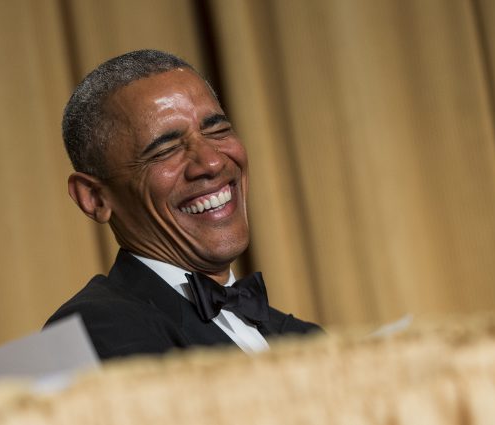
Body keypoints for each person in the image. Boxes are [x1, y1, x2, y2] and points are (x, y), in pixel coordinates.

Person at [45, 49, 320, 360]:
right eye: (166, 149)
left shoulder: (306, 339)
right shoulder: (87, 335)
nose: (213, 162)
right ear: (94, 198)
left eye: (217, 130)